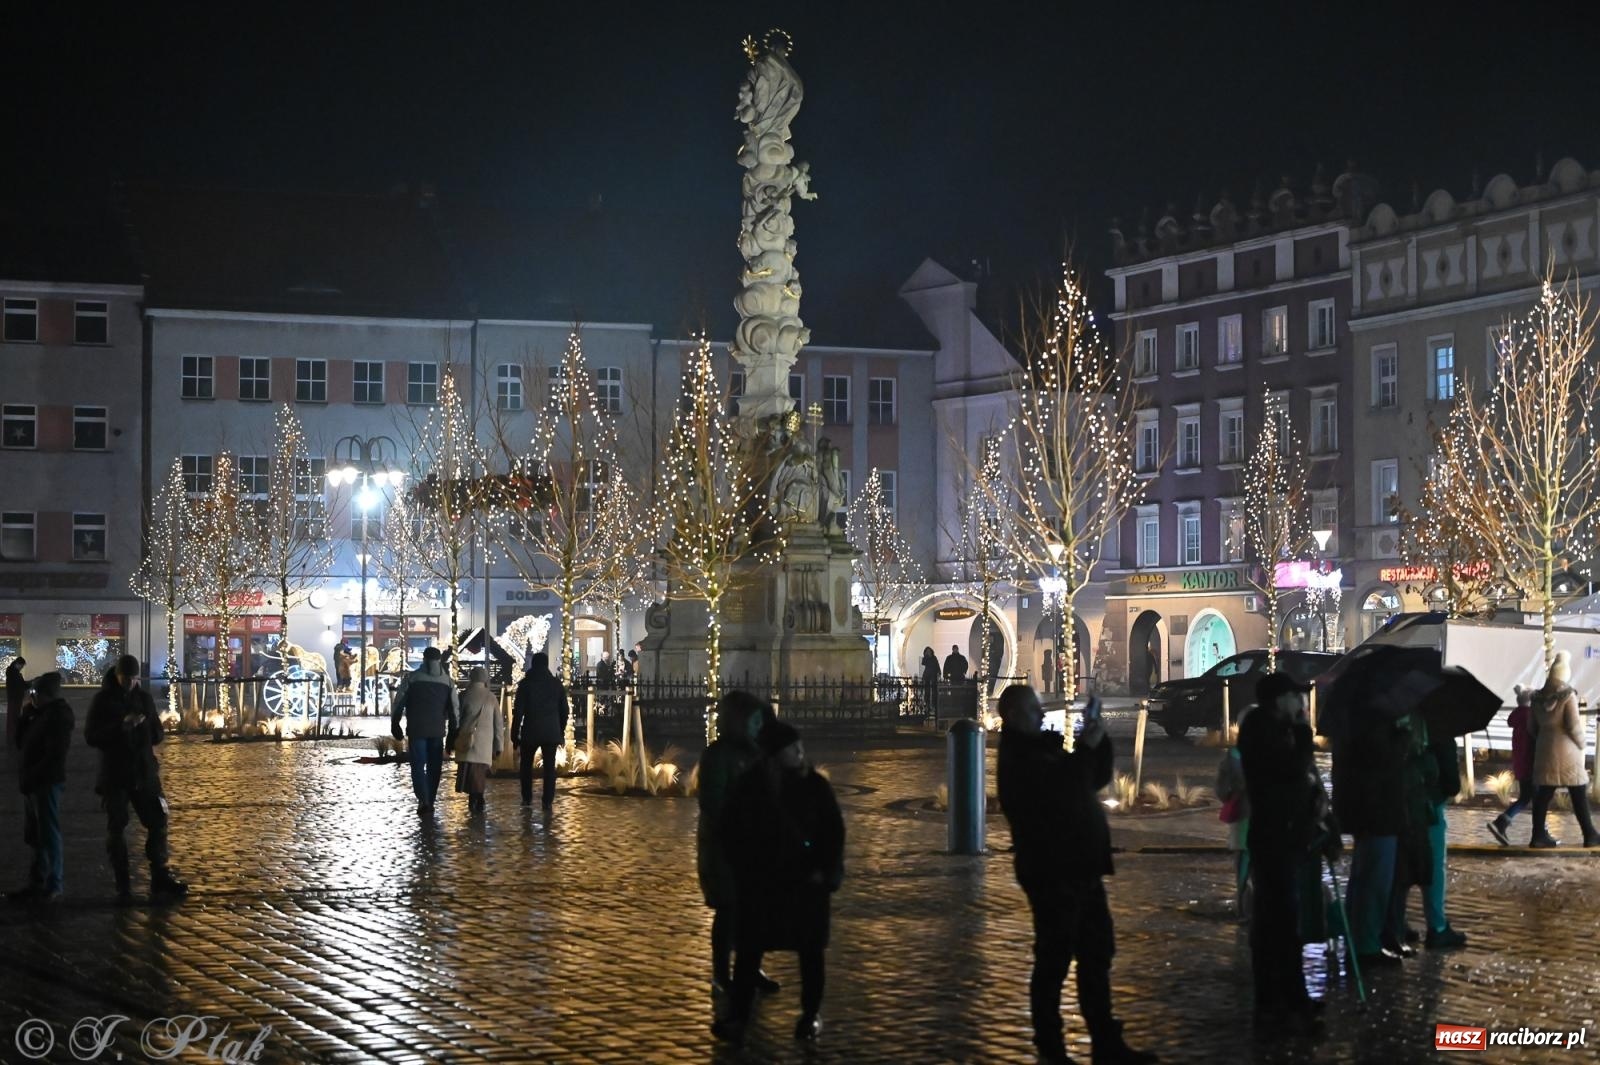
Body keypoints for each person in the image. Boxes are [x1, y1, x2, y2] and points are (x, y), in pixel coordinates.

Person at [996, 684, 1156, 1065]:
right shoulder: (1019, 756)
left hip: (1081, 865)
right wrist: (1085, 748)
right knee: (1055, 959)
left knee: (1096, 953)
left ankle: (1106, 1042)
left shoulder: (1040, 747)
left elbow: (1090, 778)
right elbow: (1063, 788)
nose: (1041, 715)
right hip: (1052, 870)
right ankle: (1052, 1049)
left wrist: (1096, 741)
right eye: (1034, 710)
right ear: (1016, 715)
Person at [715, 720, 845, 1045]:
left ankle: (810, 1014)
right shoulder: (751, 787)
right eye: (793, 748)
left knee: (810, 954)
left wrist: (825, 872)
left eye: (800, 747)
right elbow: (729, 830)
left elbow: (833, 832)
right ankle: (738, 1015)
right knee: (749, 951)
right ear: (773, 754)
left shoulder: (814, 785)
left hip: (806, 882)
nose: (800, 753)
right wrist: (744, 869)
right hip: (762, 881)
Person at [1237, 673, 1336, 1034]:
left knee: (1280, 922)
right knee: (1276, 924)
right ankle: (1279, 1000)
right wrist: (1304, 734)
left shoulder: (1273, 728)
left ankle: (1286, 997)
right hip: (1274, 838)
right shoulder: (1264, 730)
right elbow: (1290, 772)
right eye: (1296, 696)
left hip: (1285, 836)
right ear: (1281, 700)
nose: (1302, 702)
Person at [696, 692, 780, 1000]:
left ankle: (750, 967)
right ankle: (721, 974)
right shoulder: (719, 755)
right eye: (754, 720)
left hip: (756, 845)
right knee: (729, 910)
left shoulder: (759, 753)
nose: (759, 726)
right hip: (726, 847)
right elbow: (713, 802)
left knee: (755, 911)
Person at [85, 655, 187, 902]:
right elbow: (92, 736)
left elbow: (157, 734)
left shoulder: (143, 698)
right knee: (117, 828)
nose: (130, 682)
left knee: (158, 822)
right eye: (125, 678)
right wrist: (121, 727)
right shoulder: (103, 700)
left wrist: (145, 727)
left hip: (144, 771)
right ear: (117, 675)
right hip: (115, 774)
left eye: (133, 678)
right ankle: (123, 885)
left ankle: (160, 877)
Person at [1331, 695, 1412, 968]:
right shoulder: (1373, 723)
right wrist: (1402, 737)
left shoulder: (1352, 719)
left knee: (1365, 876)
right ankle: (1366, 945)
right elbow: (1382, 761)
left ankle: (1359, 939)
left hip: (1366, 812)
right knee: (1375, 880)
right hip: (1378, 812)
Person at [1389, 720, 1467, 949]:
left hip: (1398, 806)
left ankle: (1396, 923)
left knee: (1399, 867)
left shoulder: (1395, 724)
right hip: (1428, 807)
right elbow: (1452, 783)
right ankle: (1437, 926)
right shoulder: (1439, 731)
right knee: (1433, 867)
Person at [1528, 649, 1600, 847]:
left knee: (1544, 793)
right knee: (1578, 792)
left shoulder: (1536, 698)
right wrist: (1582, 744)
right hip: (1568, 753)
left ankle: (1537, 836)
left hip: (1545, 750)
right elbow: (1573, 726)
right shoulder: (1568, 696)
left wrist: (1544, 739)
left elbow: (1531, 728)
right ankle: (1590, 834)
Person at [12, 672, 73, 902]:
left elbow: (53, 755)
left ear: (46, 695)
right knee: (36, 835)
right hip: (33, 780)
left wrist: (35, 774)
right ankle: (37, 880)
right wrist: (25, 716)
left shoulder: (57, 717)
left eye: (35, 693)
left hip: (46, 781)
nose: (31, 696)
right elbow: (20, 743)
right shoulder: (38, 714)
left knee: (48, 833)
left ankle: (53, 882)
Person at [390, 646, 459, 816]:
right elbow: (454, 711)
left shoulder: (412, 678)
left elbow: (399, 702)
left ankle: (423, 800)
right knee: (435, 768)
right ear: (439, 661)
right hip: (437, 730)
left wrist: (395, 723)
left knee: (418, 766)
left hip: (416, 729)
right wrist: (452, 735)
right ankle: (431, 799)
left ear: (424, 659)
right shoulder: (448, 682)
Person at [512, 651, 568, 811]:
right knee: (550, 768)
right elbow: (564, 710)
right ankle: (547, 800)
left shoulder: (525, 684)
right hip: (551, 731)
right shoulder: (555, 684)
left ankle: (527, 797)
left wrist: (514, 734)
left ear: (533, 664)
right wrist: (560, 729)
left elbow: (519, 712)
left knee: (526, 766)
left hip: (530, 730)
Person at [1488, 686, 1536, 845]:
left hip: (1521, 764)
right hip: (1531, 764)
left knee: (1526, 797)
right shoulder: (1530, 717)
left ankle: (1503, 821)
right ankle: (1540, 833)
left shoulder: (1517, 718)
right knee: (1537, 798)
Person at [454, 667, 503, 814]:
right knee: (479, 773)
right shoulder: (491, 698)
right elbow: (498, 724)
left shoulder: (464, 696)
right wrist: (498, 745)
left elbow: (456, 719)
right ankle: (479, 797)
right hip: (484, 745)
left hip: (467, 741)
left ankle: (474, 798)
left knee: (469, 773)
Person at [5, 655, 28, 750]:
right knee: (13, 716)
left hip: (15, 697)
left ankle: (12, 735)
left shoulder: (13, 673)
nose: (22, 668)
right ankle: (11, 736)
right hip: (15, 698)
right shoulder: (13, 673)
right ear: (18, 664)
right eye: (22, 666)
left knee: (13, 716)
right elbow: (20, 685)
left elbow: (21, 684)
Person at [919, 647, 940, 711]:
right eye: (927, 651)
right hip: (927, 675)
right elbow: (923, 663)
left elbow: (937, 665)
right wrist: (926, 656)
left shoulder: (934, 658)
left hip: (933, 675)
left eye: (929, 651)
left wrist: (939, 671)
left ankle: (933, 705)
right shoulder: (925, 658)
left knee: (934, 691)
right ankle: (927, 704)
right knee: (927, 691)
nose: (928, 652)